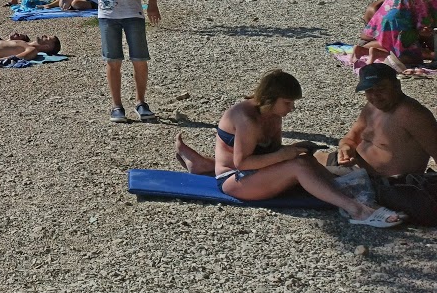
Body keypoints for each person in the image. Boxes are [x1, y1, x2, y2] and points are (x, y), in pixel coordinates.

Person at [172, 69, 405, 227]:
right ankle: (356, 210)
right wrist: (286, 153)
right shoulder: (246, 118)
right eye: (288, 103)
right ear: (270, 98)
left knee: (304, 159)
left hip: (250, 174)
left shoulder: (272, 114)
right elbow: (243, 162)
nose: (291, 108)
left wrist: (294, 149)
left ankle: (359, 199)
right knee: (297, 166)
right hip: (233, 179)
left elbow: (269, 154)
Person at [329, 64, 437, 225]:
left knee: (305, 174)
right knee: (304, 157)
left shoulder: (412, 114)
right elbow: (351, 137)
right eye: (369, 91)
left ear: (396, 86)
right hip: (354, 169)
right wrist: (346, 148)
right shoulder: (371, 107)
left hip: (386, 185)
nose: (375, 96)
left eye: (381, 89)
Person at [359, 0, 437, 71]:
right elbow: (427, 17)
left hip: (383, 18)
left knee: (388, 42)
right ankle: (374, 52)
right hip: (400, 25)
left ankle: (363, 50)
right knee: (412, 58)